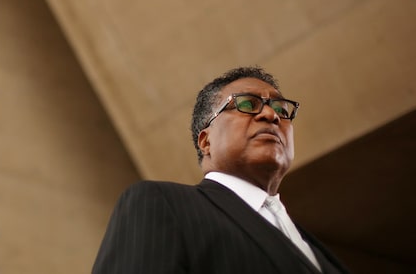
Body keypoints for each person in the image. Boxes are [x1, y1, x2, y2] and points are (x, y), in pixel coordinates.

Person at [91, 66, 349, 273]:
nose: (272, 115)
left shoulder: (317, 250)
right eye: (247, 105)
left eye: (282, 109)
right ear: (206, 141)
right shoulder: (162, 204)